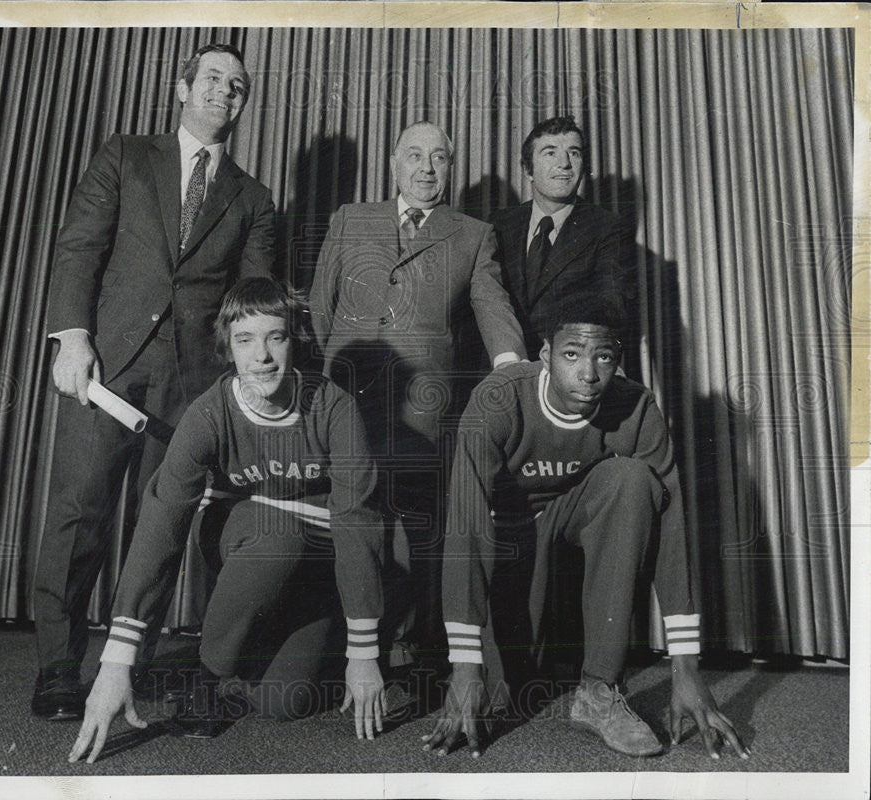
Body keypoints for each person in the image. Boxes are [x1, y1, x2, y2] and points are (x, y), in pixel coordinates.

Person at [33, 42, 276, 720]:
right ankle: (57, 668)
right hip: (107, 367)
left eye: (237, 86)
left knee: (158, 525)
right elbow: (80, 245)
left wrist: (238, 392)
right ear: (181, 87)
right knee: (79, 510)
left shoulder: (254, 199)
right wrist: (72, 337)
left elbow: (252, 303)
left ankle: (126, 663)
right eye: (212, 80)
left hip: (192, 387)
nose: (223, 93)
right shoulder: (126, 156)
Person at [68, 278, 387, 763]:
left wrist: (364, 654)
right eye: (245, 340)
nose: (261, 355)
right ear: (228, 349)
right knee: (278, 539)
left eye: (274, 337)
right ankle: (208, 675)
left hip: (315, 557)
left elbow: (357, 524)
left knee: (286, 703)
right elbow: (160, 527)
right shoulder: (210, 413)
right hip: (249, 539)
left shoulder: (334, 407)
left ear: (293, 341)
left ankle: (245, 652)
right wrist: (116, 661)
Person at [423, 292, 749, 761]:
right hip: (507, 536)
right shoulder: (498, 398)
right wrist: (466, 665)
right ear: (545, 356)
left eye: (604, 357)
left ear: (618, 361)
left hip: (574, 519)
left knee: (634, 480)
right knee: (501, 697)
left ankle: (599, 690)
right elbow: (467, 525)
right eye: (572, 354)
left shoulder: (636, 406)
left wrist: (687, 669)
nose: (589, 373)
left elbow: (672, 527)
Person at [309, 121, 525, 665]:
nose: (427, 168)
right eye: (414, 155)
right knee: (345, 511)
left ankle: (400, 648)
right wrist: (332, 370)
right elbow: (320, 305)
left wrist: (511, 368)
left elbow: (492, 308)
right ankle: (340, 643)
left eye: (439, 158)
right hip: (346, 396)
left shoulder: (473, 234)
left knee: (411, 526)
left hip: (422, 407)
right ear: (393, 162)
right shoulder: (350, 219)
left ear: (452, 168)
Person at [491, 116, 626, 360]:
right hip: (501, 368)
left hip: (567, 368)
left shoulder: (605, 227)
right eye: (550, 153)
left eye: (573, 153)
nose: (564, 163)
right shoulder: (499, 224)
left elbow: (611, 306)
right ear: (527, 169)